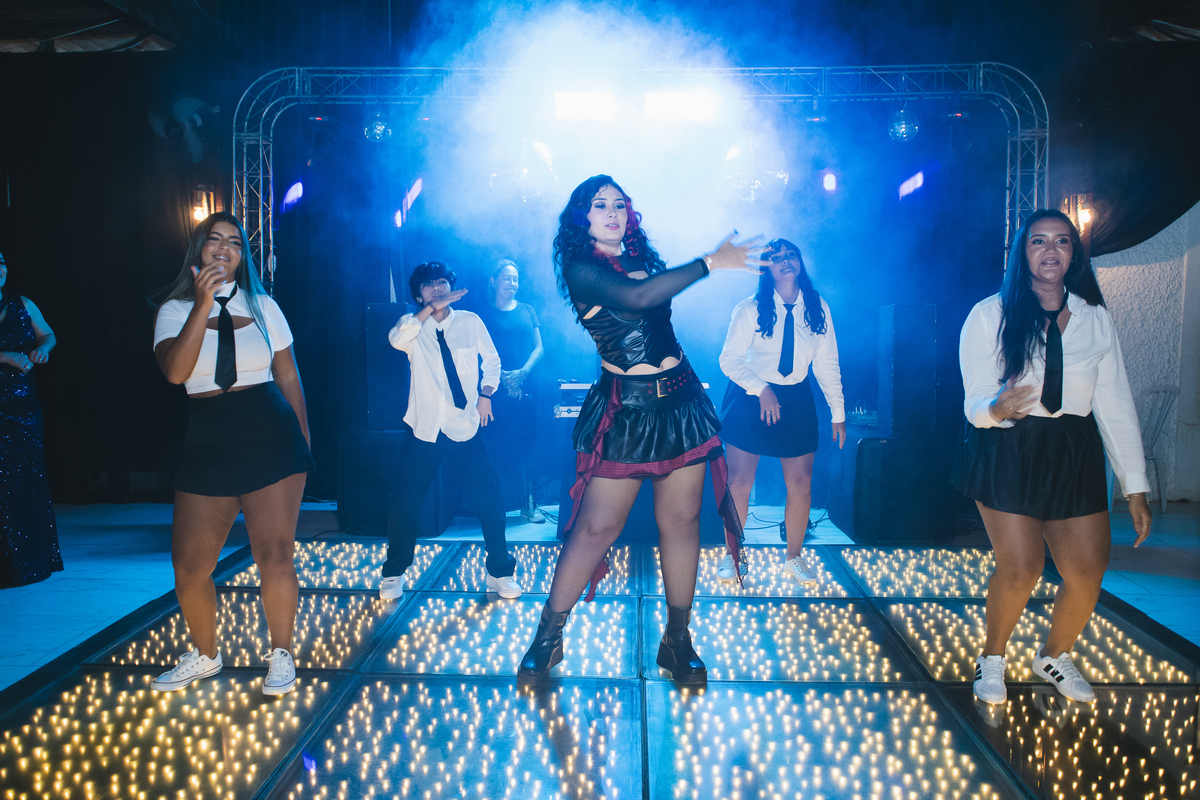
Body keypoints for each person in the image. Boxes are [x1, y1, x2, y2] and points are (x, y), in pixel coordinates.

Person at [518, 174, 763, 686]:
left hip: (680, 403)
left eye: (619, 204)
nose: (613, 212)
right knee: (595, 528)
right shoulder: (582, 269)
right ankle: (546, 638)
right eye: (599, 205)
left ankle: (677, 641)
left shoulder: (642, 259)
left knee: (683, 523)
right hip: (626, 412)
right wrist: (711, 262)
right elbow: (638, 298)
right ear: (581, 219)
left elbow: (654, 309)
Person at [957, 209, 1152, 705]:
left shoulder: (1095, 318)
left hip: (1073, 449)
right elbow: (974, 399)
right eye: (1039, 241)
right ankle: (992, 657)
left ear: (1074, 254)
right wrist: (996, 408)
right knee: (1021, 568)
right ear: (1022, 251)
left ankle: (1053, 656)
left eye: (1062, 241)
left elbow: (1115, 404)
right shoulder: (990, 314)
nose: (1050, 250)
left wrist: (1135, 485)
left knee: (1087, 570)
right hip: (1010, 443)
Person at [151, 212, 313, 696]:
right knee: (189, 567)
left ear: (243, 256)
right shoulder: (174, 309)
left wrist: (304, 442)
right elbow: (176, 374)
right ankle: (205, 656)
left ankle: (281, 655)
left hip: (270, 431)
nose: (224, 248)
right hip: (207, 439)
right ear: (198, 249)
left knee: (275, 554)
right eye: (214, 239)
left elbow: (288, 375)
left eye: (235, 243)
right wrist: (203, 303)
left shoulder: (264, 306)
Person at [381, 262, 521, 601]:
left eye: (442, 282)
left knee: (490, 501)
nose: (437, 288)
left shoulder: (470, 322)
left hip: (465, 425)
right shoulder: (412, 326)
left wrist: (486, 394)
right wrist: (428, 311)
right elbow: (395, 340)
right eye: (429, 285)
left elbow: (493, 361)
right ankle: (394, 573)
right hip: (425, 428)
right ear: (419, 295)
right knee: (404, 503)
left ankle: (499, 572)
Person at [717, 238, 846, 585]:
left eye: (791, 255)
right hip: (751, 395)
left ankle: (794, 557)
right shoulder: (749, 308)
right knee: (739, 482)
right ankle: (732, 555)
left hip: (796, 397)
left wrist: (838, 411)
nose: (785, 260)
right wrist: (761, 388)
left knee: (801, 483)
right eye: (776, 257)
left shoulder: (817, 306)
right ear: (766, 268)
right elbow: (729, 360)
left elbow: (827, 362)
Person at [0, 251, 63, 587]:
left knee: (26, 480)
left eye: (1, 262)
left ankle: (31, 561)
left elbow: (48, 335)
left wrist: (43, 349)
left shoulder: (22, 303)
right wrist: (5, 356)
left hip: (22, 407)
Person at [478, 259, 546, 523]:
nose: (512, 283)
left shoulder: (527, 310)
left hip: (526, 386)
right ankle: (497, 508)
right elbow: (477, 351)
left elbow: (539, 348)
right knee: (495, 447)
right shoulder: (482, 314)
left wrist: (521, 375)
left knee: (528, 444)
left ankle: (530, 506)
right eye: (507, 278)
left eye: (516, 279)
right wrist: (504, 380)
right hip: (493, 389)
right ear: (493, 281)